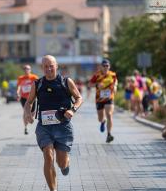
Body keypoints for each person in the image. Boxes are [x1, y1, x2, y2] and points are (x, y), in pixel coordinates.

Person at [23, 55, 83, 191]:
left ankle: (65, 164)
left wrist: (72, 110)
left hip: (63, 127)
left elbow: (79, 98)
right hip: (44, 127)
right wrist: (28, 113)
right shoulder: (38, 84)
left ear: (56, 66)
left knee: (61, 163)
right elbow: (28, 102)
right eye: (45, 66)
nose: (49, 69)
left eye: (51, 66)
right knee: (48, 157)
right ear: (42, 68)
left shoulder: (66, 82)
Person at [89, 58, 117, 143]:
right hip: (99, 99)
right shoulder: (97, 75)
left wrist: (115, 86)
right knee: (100, 118)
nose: (105, 67)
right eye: (104, 66)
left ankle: (109, 134)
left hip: (109, 97)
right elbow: (90, 84)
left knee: (109, 114)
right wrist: (97, 85)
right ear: (101, 67)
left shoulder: (112, 74)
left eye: (107, 66)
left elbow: (116, 81)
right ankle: (103, 121)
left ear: (109, 66)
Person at [17, 64, 38, 135]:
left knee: (32, 113)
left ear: (30, 70)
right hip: (24, 98)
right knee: (26, 112)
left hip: (32, 97)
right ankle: (25, 127)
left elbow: (38, 86)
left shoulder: (34, 77)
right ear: (24, 70)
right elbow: (19, 86)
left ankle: (29, 118)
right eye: (25, 69)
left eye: (28, 69)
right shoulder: (21, 78)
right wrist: (18, 93)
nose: (26, 70)